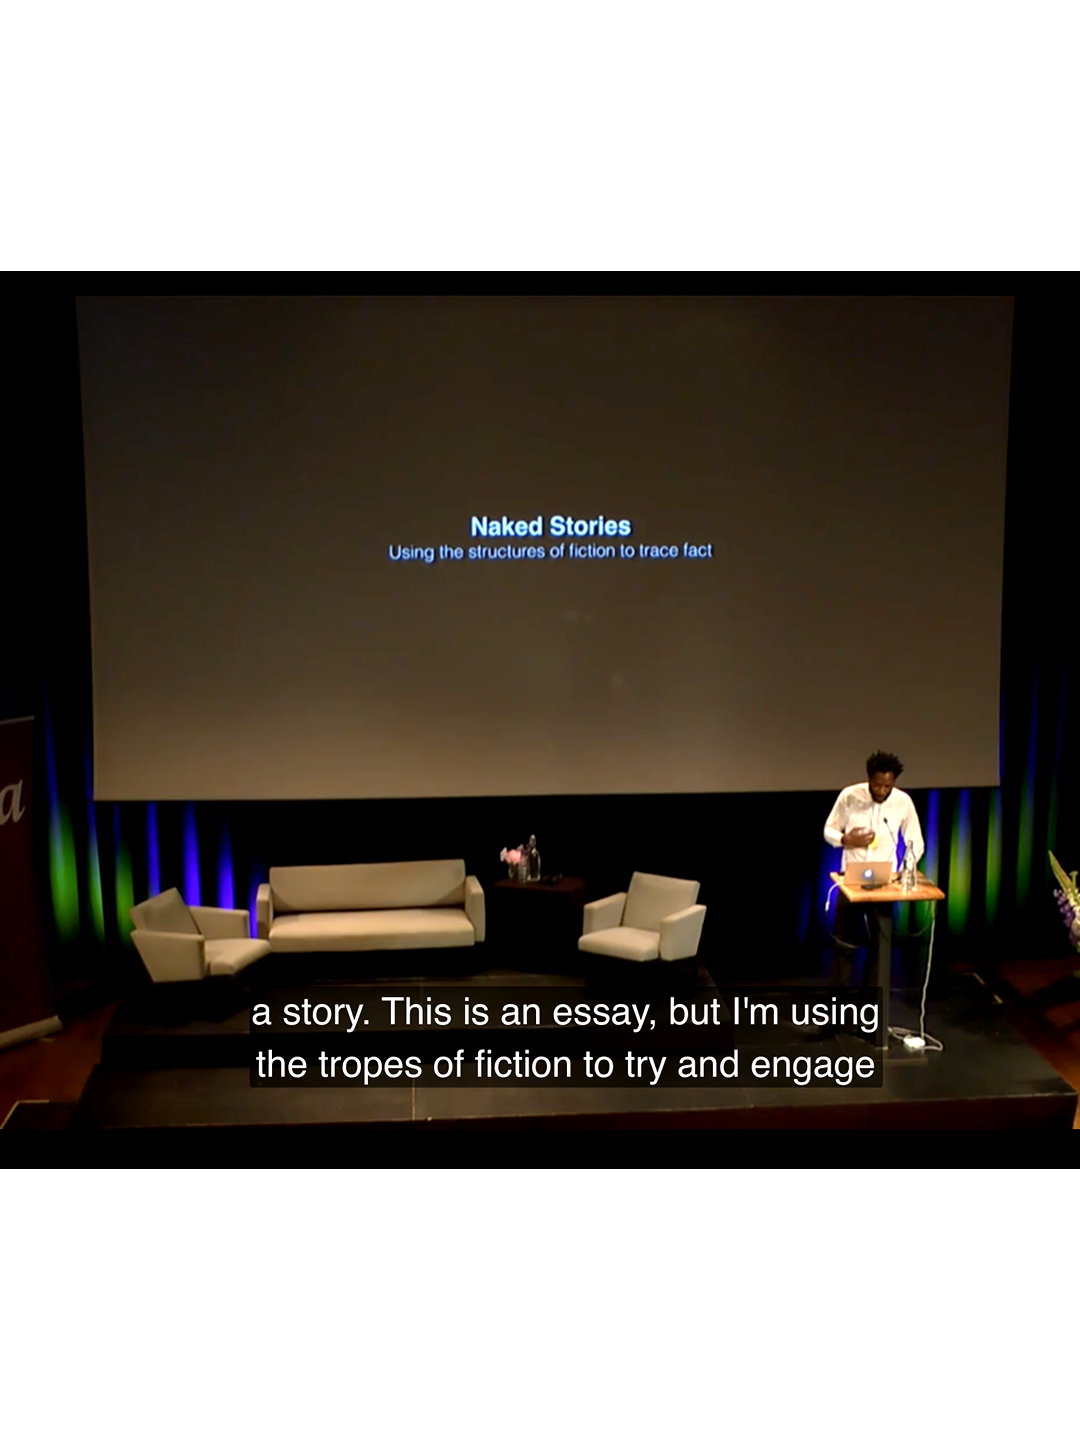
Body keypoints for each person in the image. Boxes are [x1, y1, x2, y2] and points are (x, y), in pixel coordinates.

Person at [822, 750, 925, 988]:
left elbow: (916, 841)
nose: (882, 791)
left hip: (884, 884)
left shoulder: (903, 802)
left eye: (887, 786)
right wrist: (845, 839)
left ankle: (873, 1005)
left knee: (881, 948)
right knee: (844, 946)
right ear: (869, 778)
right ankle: (838, 1005)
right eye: (877, 785)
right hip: (851, 883)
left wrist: (906, 869)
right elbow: (829, 830)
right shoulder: (850, 796)